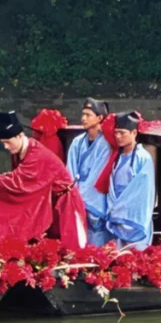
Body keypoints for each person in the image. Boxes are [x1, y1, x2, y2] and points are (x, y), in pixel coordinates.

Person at [0, 111, 87, 250]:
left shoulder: (37, 155)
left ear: (20, 136)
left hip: (64, 205)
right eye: (3, 143)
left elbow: (17, 184)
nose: (6, 147)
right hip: (50, 203)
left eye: (8, 142)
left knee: (70, 252)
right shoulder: (21, 151)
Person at [105, 112, 156, 251]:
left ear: (134, 132)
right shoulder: (116, 156)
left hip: (134, 219)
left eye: (122, 133)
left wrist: (120, 209)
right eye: (116, 133)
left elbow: (142, 193)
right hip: (117, 218)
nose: (118, 136)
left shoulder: (143, 157)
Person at [66, 98, 113, 246]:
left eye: (88, 115)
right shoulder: (77, 142)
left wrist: (81, 198)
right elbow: (70, 171)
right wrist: (72, 194)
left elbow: (98, 176)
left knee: (95, 241)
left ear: (100, 118)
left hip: (95, 201)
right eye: (83, 114)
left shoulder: (106, 144)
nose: (83, 118)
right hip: (77, 197)